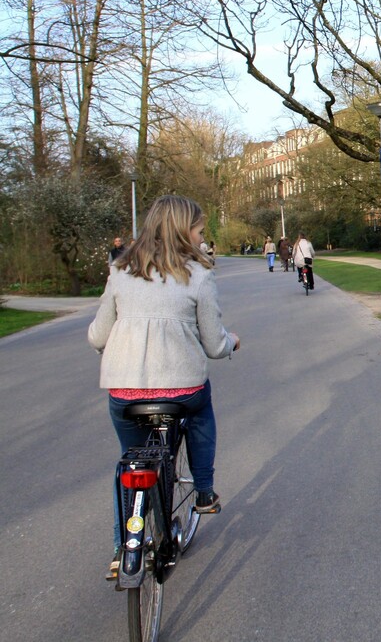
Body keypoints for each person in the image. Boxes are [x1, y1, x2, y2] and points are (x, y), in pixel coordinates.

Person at [87, 194, 241, 579]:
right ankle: (204, 492)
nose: (203, 238)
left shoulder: (121, 270)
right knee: (202, 410)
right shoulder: (198, 275)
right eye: (200, 230)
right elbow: (214, 343)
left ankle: (123, 546)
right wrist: (232, 342)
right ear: (183, 231)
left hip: (125, 393)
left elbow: (97, 336)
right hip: (181, 391)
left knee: (130, 460)